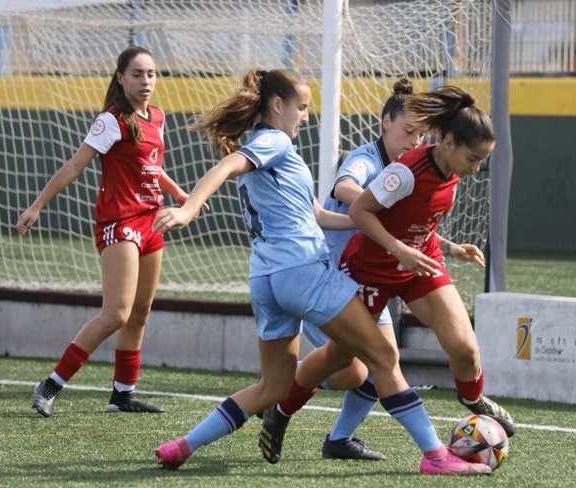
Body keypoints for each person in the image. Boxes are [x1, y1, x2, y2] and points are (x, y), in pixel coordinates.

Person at [152, 68, 491, 476]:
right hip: (304, 274)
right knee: (383, 358)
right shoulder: (272, 140)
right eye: (302, 107)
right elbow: (226, 167)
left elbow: (319, 216)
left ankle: (181, 446)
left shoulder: (279, 154)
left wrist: (381, 224)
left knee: (273, 387)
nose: (305, 116)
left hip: (265, 280)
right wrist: (189, 207)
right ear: (277, 105)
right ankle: (436, 457)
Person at [261, 83, 502, 463]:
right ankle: (282, 409)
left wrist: (447, 248)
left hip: (416, 264)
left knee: (465, 349)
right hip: (364, 270)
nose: (475, 169)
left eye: (480, 161)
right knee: (346, 366)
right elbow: (354, 202)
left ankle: (474, 401)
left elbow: (415, 223)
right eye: (473, 159)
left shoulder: (452, 176)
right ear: (450, 143)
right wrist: (397, 243)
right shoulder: (394, 170)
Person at [16, 46, 188, 417]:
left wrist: (178, 193)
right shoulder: (112, 120)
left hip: (152, 220)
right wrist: (37, 205)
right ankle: (49, 385)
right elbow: (75, 165)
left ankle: (122, 395)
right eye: (138, 74)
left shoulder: (157, 116)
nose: (146, 81)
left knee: (140, 313)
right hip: (120, 222)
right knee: (116, 314)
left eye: (151, 74)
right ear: (121, 78)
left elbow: (151, 165)